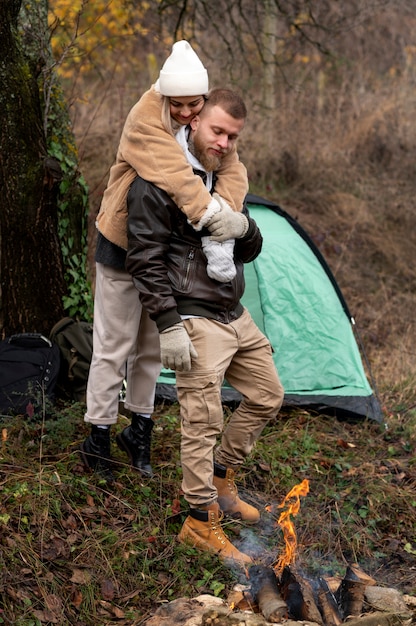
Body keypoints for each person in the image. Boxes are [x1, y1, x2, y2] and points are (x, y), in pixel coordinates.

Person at [126, 88, 284, 565]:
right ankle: (199, 520)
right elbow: (144, 259)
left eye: (233, 136)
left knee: (267, 395)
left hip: (233, 311)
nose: (224, 142)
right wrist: (169, 324)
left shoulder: (226, 177)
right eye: (217, 130)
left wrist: (245, 229)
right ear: (193, 122)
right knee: (202, 418)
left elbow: (248, 250)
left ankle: (221, 480)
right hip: (193, 315)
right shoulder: (158, 179)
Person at [81, 41, 249, 483]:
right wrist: (213, 217)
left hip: (165, 258)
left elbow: (234, 168)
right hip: (122, 248)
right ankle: (97, 435)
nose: (190, 113)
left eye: (197, 105)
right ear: (166, 96)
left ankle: (139, 429)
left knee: (151, 350)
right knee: (113, 346)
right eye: (182, 105)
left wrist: (230, 213)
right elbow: (176, 177)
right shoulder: (145, 122)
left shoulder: (203, 123)